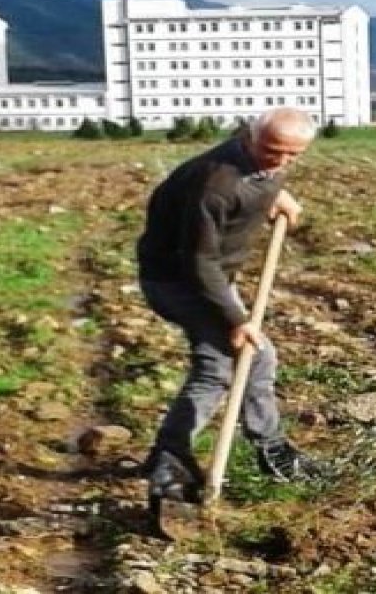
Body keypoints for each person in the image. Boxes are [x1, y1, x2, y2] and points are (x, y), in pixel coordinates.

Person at [137, 107, 324, 505]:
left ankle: (265, 448)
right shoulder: (216, 184)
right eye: (273, 151)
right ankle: (173, 459)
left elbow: (267, 173)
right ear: (248, 137)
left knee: (257, 357)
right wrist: (237, 320)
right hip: (179, 280)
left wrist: (276, 190)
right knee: (222, 364)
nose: (280, 161)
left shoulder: (259, 160)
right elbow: (198, 261)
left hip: (212, 278)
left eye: (292, 156)